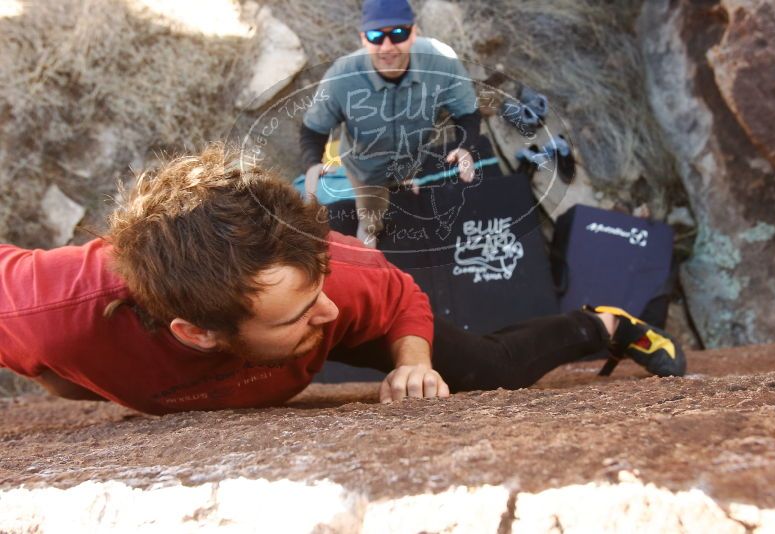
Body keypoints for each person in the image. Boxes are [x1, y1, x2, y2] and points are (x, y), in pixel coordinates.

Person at [0, 144, 685, 415]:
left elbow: (395, 297)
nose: (325, 309)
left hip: (346, 329)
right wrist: (68, 377)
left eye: (317, 283)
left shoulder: (334, 288)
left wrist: (413, 362)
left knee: (484, 368)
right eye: (298, 311)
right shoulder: (47, 309)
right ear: (196, 333)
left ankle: (604, 323)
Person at [300, 0, 482, 247]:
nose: (387, 47)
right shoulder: (341, 76)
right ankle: (370, 227)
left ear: (413, 32)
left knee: (405, 180)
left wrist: (465, 146)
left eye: (398, 33)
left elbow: (468, 113)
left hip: (414, 157)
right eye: (376, 36)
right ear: (363, 38)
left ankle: (404, 183)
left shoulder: (442, 62)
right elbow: (314, 129)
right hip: (365, 169)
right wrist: (312, 163)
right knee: (371, 207)